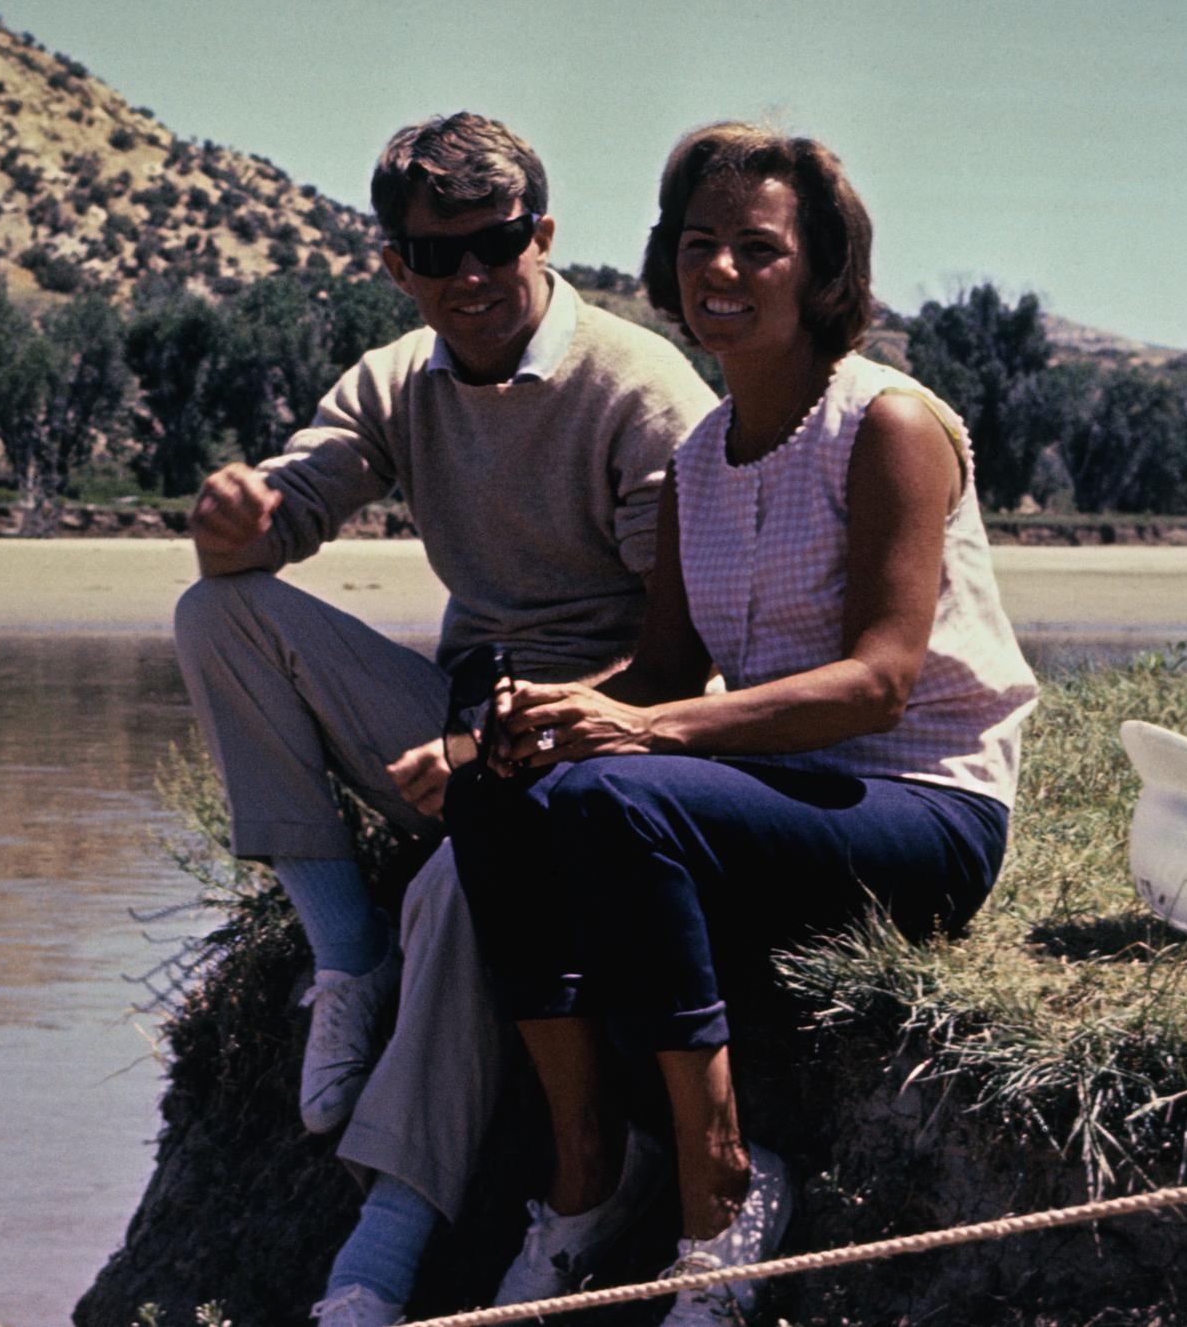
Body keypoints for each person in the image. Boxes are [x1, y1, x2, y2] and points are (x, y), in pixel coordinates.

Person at [446, 124, 1039, 1326]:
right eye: (698, 244)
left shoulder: (888, 425)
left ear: (824, 275)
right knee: (496, 788)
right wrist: (558, 715)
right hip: (781, 800)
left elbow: (879, 681)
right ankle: (586, 1172)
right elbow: (667, 667)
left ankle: (721, 1194)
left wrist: (645, 735)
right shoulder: (703, 458)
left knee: (619, 796)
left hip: (925, 810)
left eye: (758, 250)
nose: (720, 272)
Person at [172, 111, 716, 1327]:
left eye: (496, 242)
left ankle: (385, 1248)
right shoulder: (396, 378)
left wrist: (515, 745)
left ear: (544, 236)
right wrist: (235, 524)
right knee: (218, 615)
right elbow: (289, 511)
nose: (470, 278)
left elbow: (690, 650)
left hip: (609, 736)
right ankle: (346, 951)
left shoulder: (639, 389)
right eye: (437, 255)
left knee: (466, 880)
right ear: (394, 264)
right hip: (463, 717)